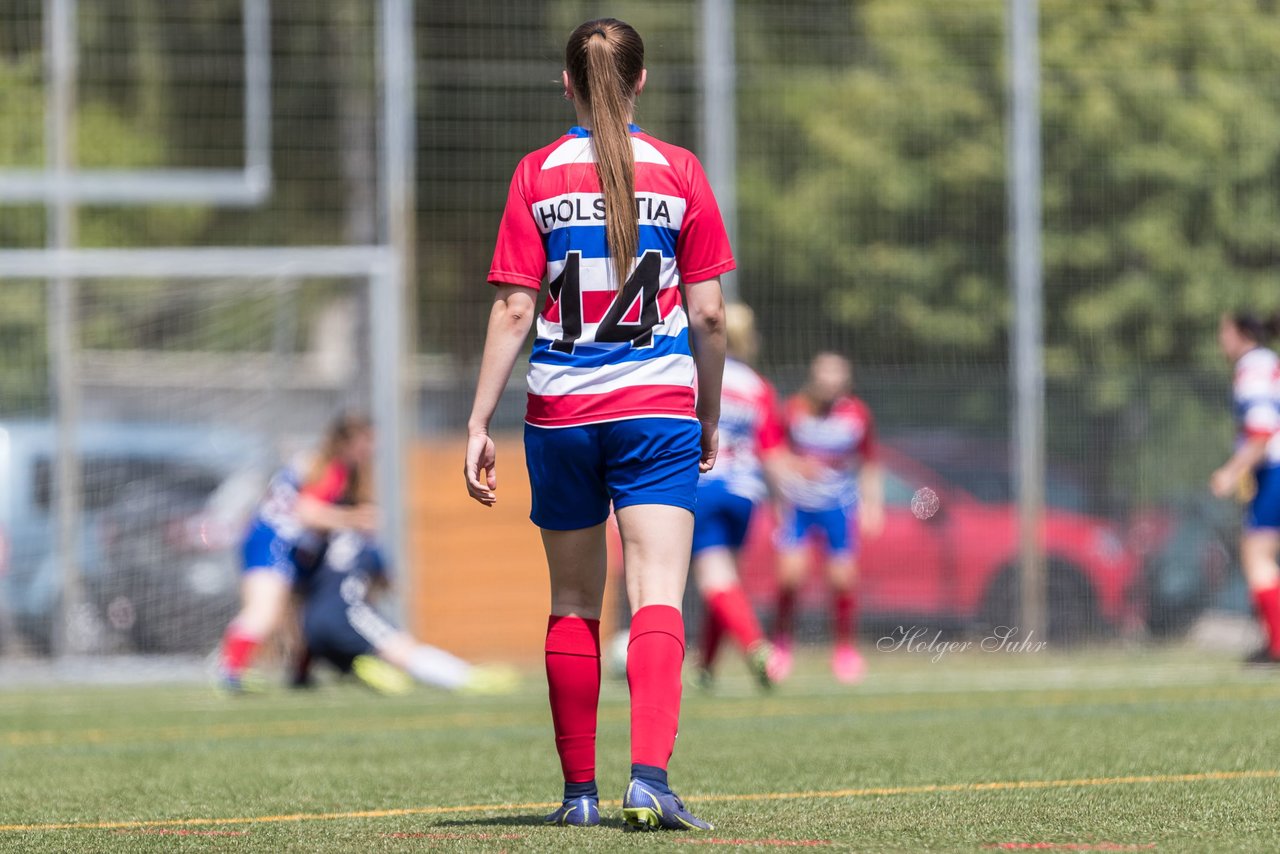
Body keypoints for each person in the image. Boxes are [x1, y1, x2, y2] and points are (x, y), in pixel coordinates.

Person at [463, 17, 730, 832]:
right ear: (640, 81)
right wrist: (708, 413)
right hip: (655, 413)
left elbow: (515, 309)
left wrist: (478, 420)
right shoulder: (679, 171)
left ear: (568, 83)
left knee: (575, 598)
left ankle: (579, 796)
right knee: (657, 595)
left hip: (562, 416)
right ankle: (647, 780)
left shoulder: (537, 173)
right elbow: (711, 315)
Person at [217, 410, 378, 692]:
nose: (370, 451)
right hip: (274, 541)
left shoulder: (329, 467)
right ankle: (230, 671)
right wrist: (355, 518)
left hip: (295, 548)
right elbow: (306, 512)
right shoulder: (328, 468)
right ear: (347, 442)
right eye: (365, 443)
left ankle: (301, 672)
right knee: (264, 611)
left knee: (308, 612)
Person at [770, 353, 884, 684]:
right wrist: (790, 475)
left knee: (842, 579)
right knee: (790, 577)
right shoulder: (794, 410)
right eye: (824, 374)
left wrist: (871, 505)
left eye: (837, 374)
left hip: (838, 507)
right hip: (799, 507)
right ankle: (781, 644)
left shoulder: (858, 415)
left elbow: (870, 461)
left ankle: (845, 651)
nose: (830, 381)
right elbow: (774, 453)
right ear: (814, 376)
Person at [297, 530, 516, 695]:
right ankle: (466, 678)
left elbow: (302, 585)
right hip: (346, 612)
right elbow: (386, 583)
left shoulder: (321, 547)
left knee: (357, 652)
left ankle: (361, 665)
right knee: (405, 649)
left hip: (311, 621)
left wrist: (299, 674)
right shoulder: (367, 545)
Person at [692, 303, 785, 690]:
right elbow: (770, 450)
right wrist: (781, 504)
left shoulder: (695, 375)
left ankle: (757, 647)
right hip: (746, 492)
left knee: (714, 581)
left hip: (707, 484)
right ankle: (706, 668)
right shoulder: (758, 386)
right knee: (726, 579)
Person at [1211, 311, 1280, 666]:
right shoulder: (1268, 363)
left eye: (1224, 331)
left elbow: (1262, 429)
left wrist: (1230, 471)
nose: (1221, 339)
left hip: (1275, 469)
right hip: (1269, 471)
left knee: (1258, 556)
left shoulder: (1252, 367)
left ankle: (1278, 646)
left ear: (1241, 334)